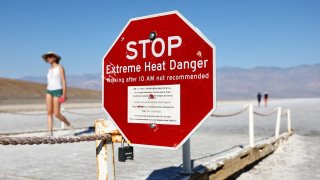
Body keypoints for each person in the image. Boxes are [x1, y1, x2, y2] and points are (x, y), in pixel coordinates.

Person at [42, 51, 73, 136]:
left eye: (50, 56)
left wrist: (64, 94)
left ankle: (69, 124)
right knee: (49, 112)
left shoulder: (60, 67)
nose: (48, 58)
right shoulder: (49, 69)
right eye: (47, 57)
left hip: (58, 91)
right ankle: (50, 132)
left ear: (55, 58)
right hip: (49, 91)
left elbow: (63, 80)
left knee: (56, 113)